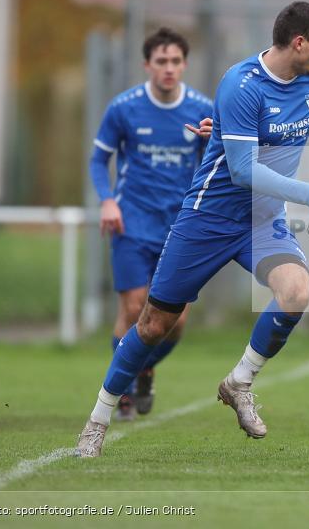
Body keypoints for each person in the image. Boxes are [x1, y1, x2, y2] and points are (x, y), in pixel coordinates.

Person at [76, 1, 309, 458]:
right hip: (209, 217)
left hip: (261, 221)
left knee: (296, 292)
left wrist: (223, 131)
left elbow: (265, 140)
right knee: (154, 324)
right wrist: (307, 192)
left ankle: (239, 383)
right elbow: (240, 171)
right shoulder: (241, 84)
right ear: (299, 42)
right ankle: (97, 420)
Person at [89, 28, 213, 421]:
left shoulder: (202, 109)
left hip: (181, 227)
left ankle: (142, 369)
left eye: (176, 61)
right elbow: (97, 160)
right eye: (161, 61)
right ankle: (121, 390)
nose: (169, 68)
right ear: (147, 65)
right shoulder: (124, 108)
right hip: (132, 222)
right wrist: (107, 200)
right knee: (133, 307)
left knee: (174, 324)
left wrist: (214, 141)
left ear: (185, 64)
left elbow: (218, 162)